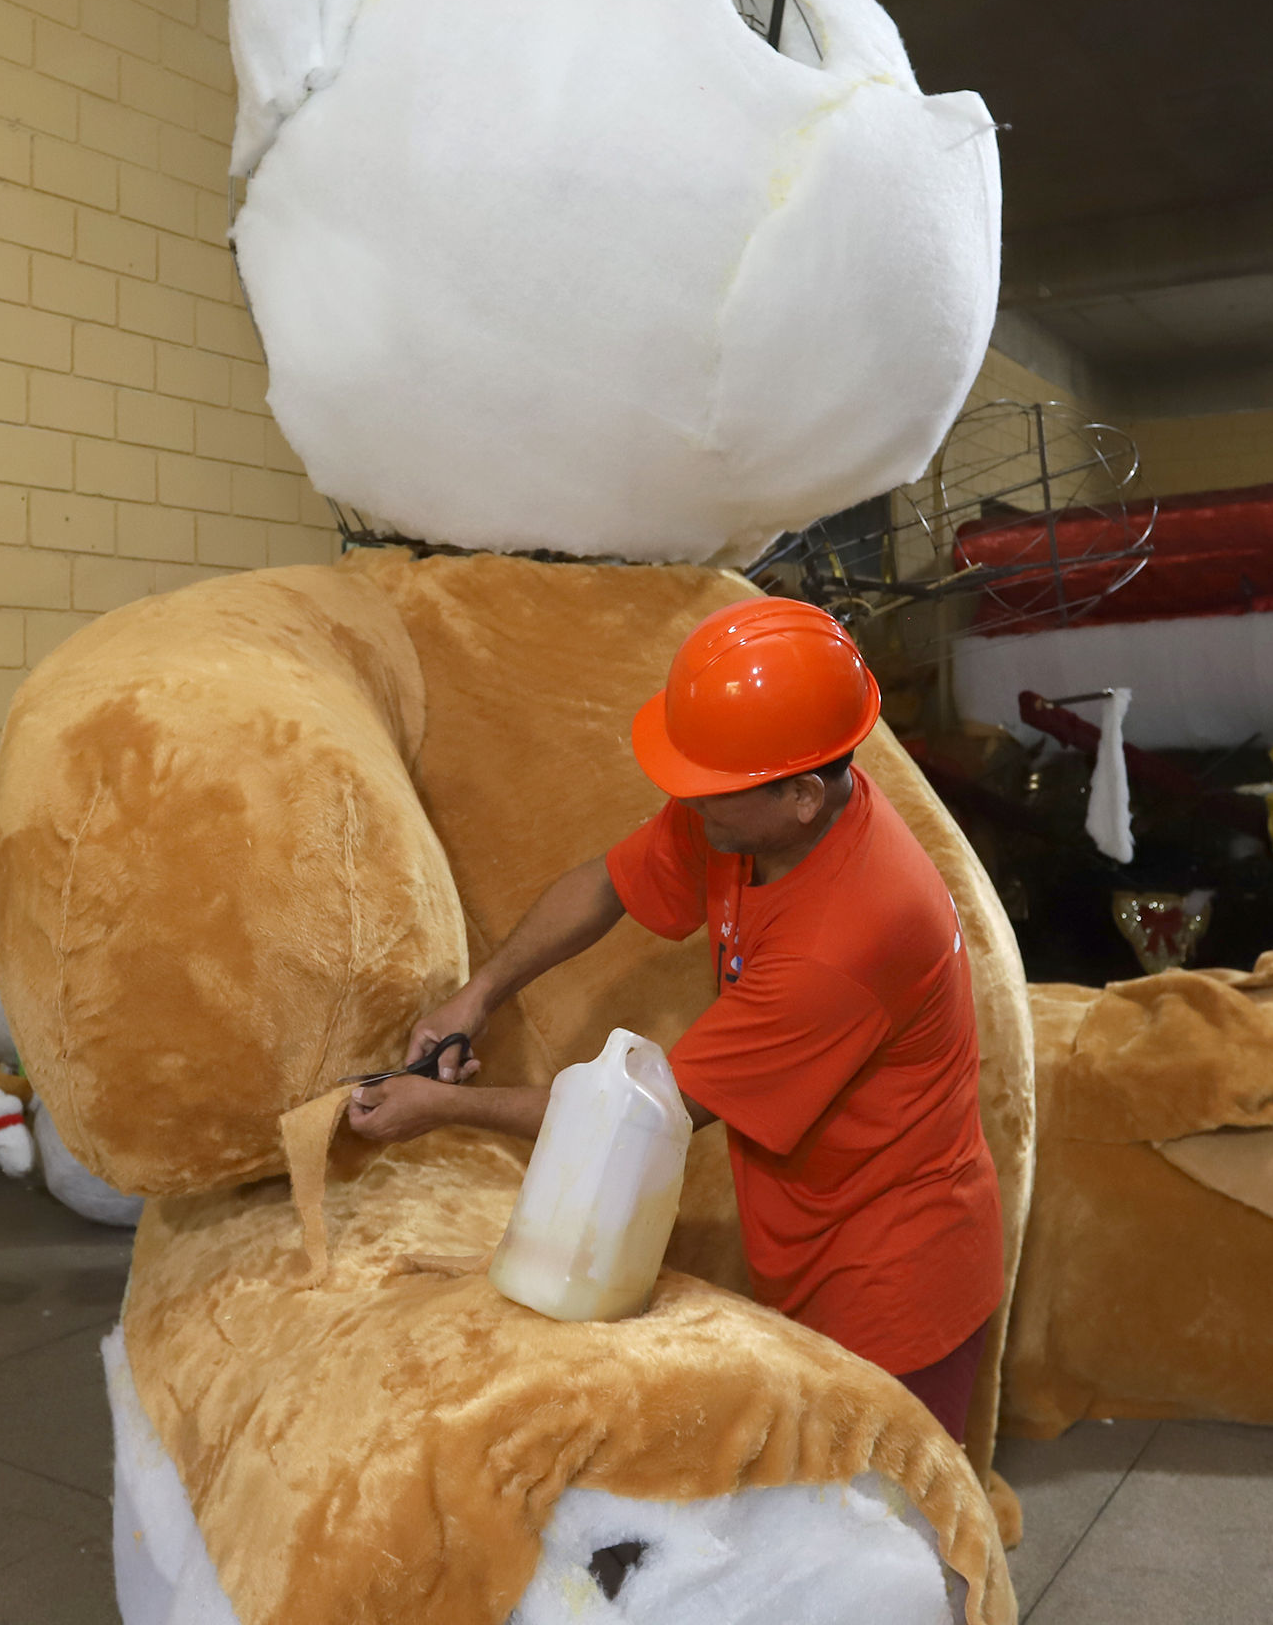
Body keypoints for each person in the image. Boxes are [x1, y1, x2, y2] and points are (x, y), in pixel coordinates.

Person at [347, 596, 1003, 1439]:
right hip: (809, 1227)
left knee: (889, 1529)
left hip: (896, 1274)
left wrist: (443, 1111)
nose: (684, 803)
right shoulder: (749, 818)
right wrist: (478, 994)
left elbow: (636, 1121)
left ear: (804, 794)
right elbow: (608, 883)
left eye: (708, 791)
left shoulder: (847, 938)